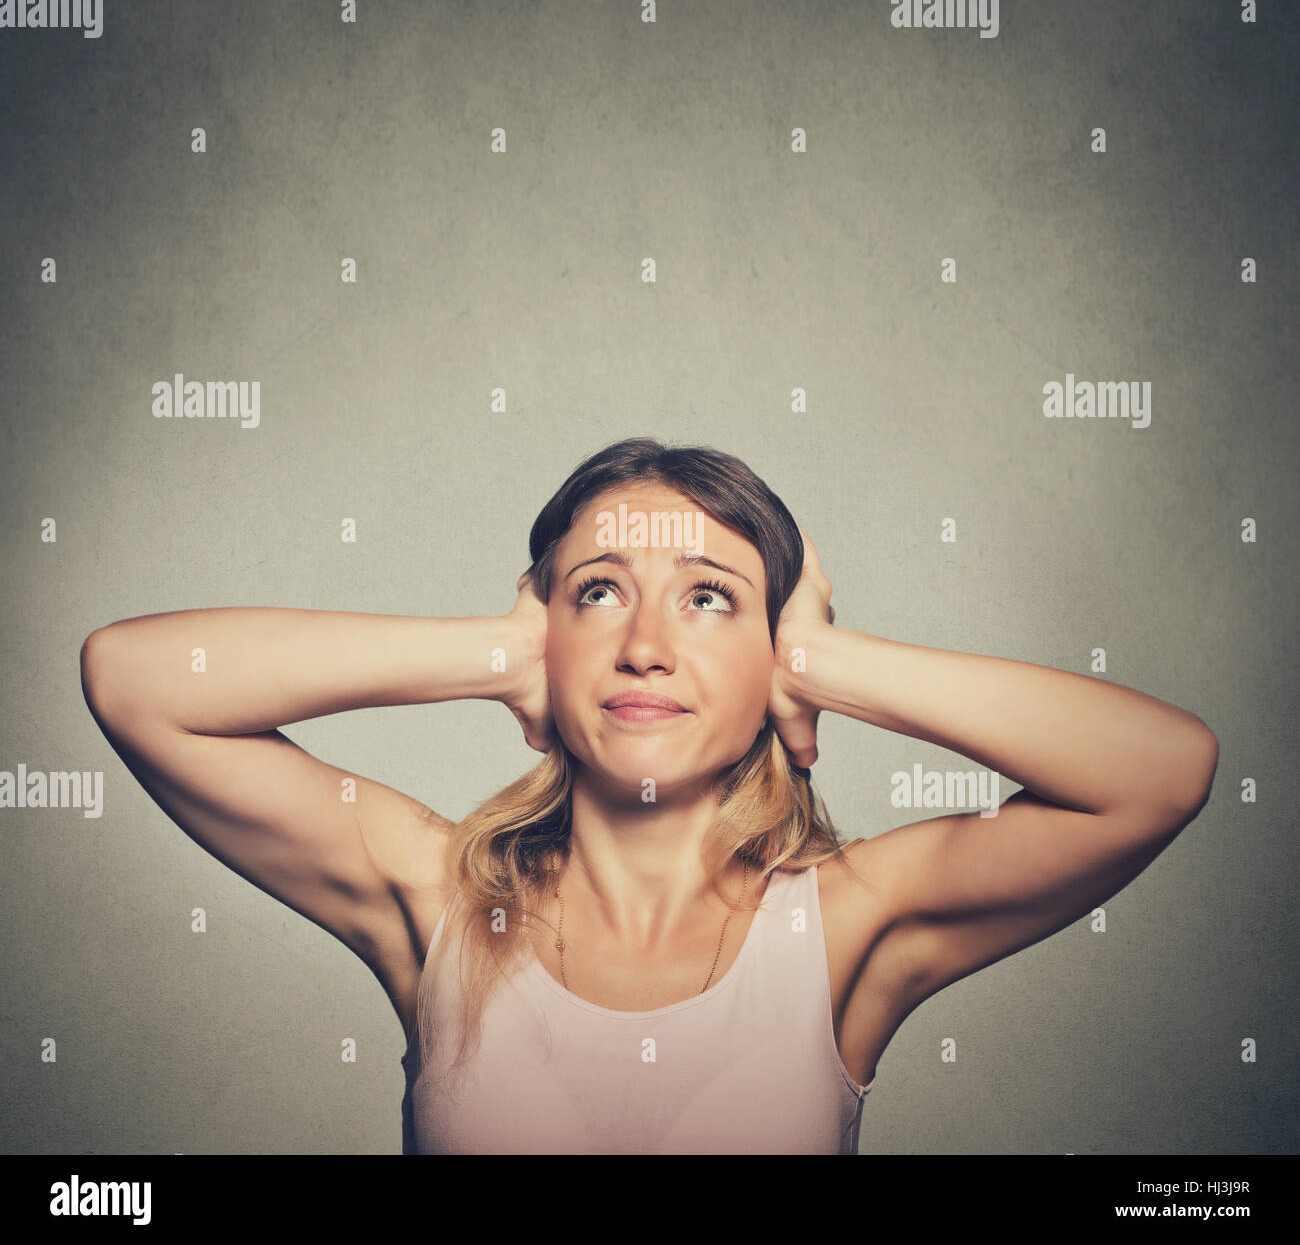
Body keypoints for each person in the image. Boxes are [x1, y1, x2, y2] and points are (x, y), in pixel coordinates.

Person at [79, 437, 1219, 1154]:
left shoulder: (852, 920)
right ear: (545, 632)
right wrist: (494, 654)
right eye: (599, 591)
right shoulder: (434, 898)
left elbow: (1160, 769)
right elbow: (134, 680)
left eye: (710, 599)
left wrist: (820, 665)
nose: (645, 644)